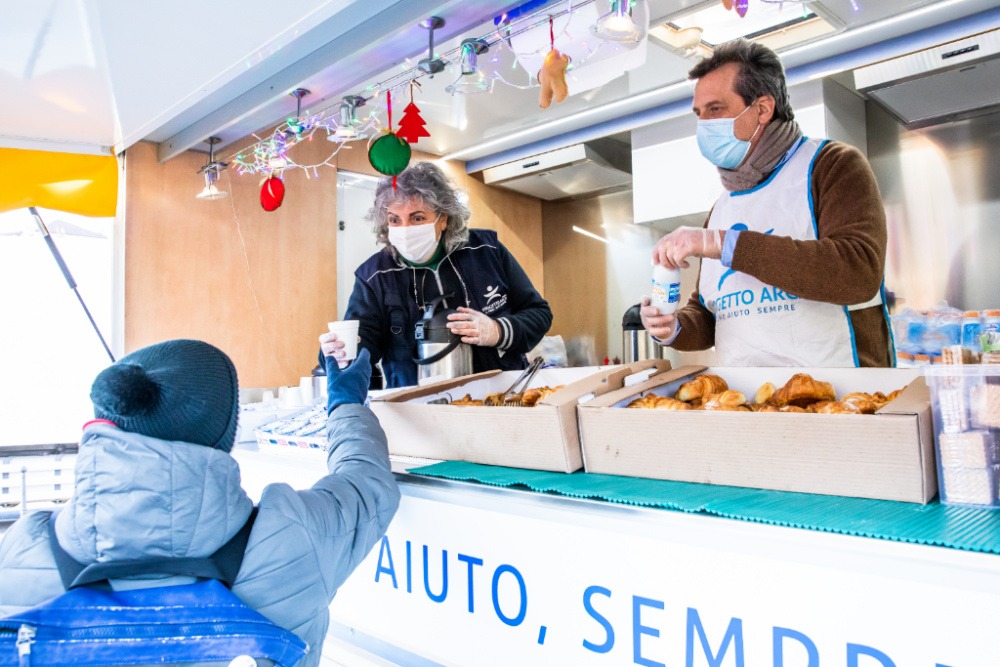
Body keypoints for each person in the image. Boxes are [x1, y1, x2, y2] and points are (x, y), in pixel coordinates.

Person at [0, 338, 400, 667]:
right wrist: (345, 402)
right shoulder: (290, 537)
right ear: (222, 436)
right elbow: (367, 483)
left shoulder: (22, 548)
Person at [641, 39, 893, 367]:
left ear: (762, 109)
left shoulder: (831, 165)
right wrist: (674, 327)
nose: (703, 125)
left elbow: (858, 272)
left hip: (839, 399)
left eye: (715, 110)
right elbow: (711, 314)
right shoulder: (720, 209)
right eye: (699, 114)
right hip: (748, 404)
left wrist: (722, 243)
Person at [324, 161, 553, 388]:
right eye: (395, 219)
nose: (405, 229)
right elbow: (363, 345)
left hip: (500, 395)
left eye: (417, 218)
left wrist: (497, 330)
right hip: (416, 407)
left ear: (443, 219)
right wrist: (339, 355)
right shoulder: (374, 276)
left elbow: (538, 314)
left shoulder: (486, 251)